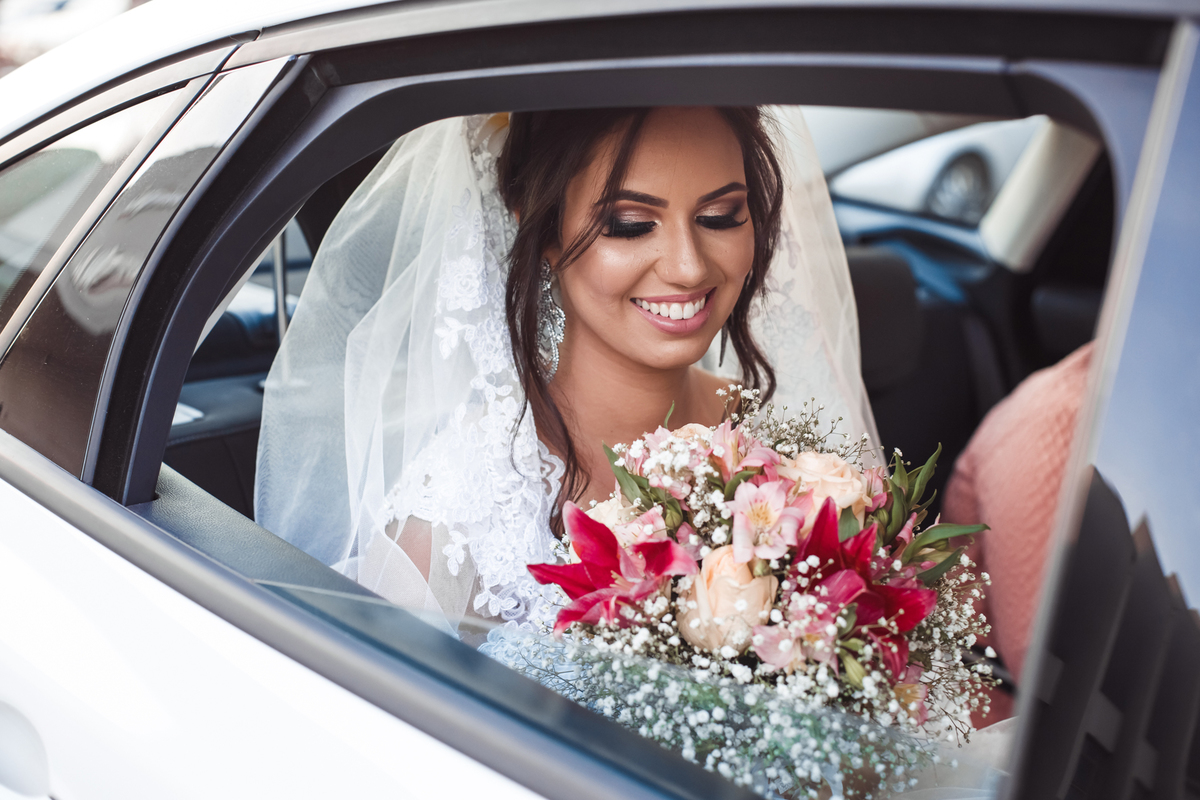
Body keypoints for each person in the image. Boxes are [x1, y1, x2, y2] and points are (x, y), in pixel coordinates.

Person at [255, 106, 878, 634]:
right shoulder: (457, 518)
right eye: (630, 225)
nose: (689, 267)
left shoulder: (799, 455)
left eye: (720, 217)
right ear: (541, 223)